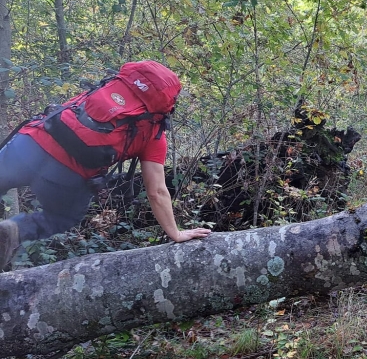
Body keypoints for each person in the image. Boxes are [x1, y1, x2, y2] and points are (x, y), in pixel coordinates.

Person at [0, 61, 211, 268]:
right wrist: (175, 232)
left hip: (29, 143)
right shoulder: (153, 134)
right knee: (61, 217)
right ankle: (15, 229)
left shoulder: (105, 88)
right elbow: (156, 191)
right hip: (66, 174)